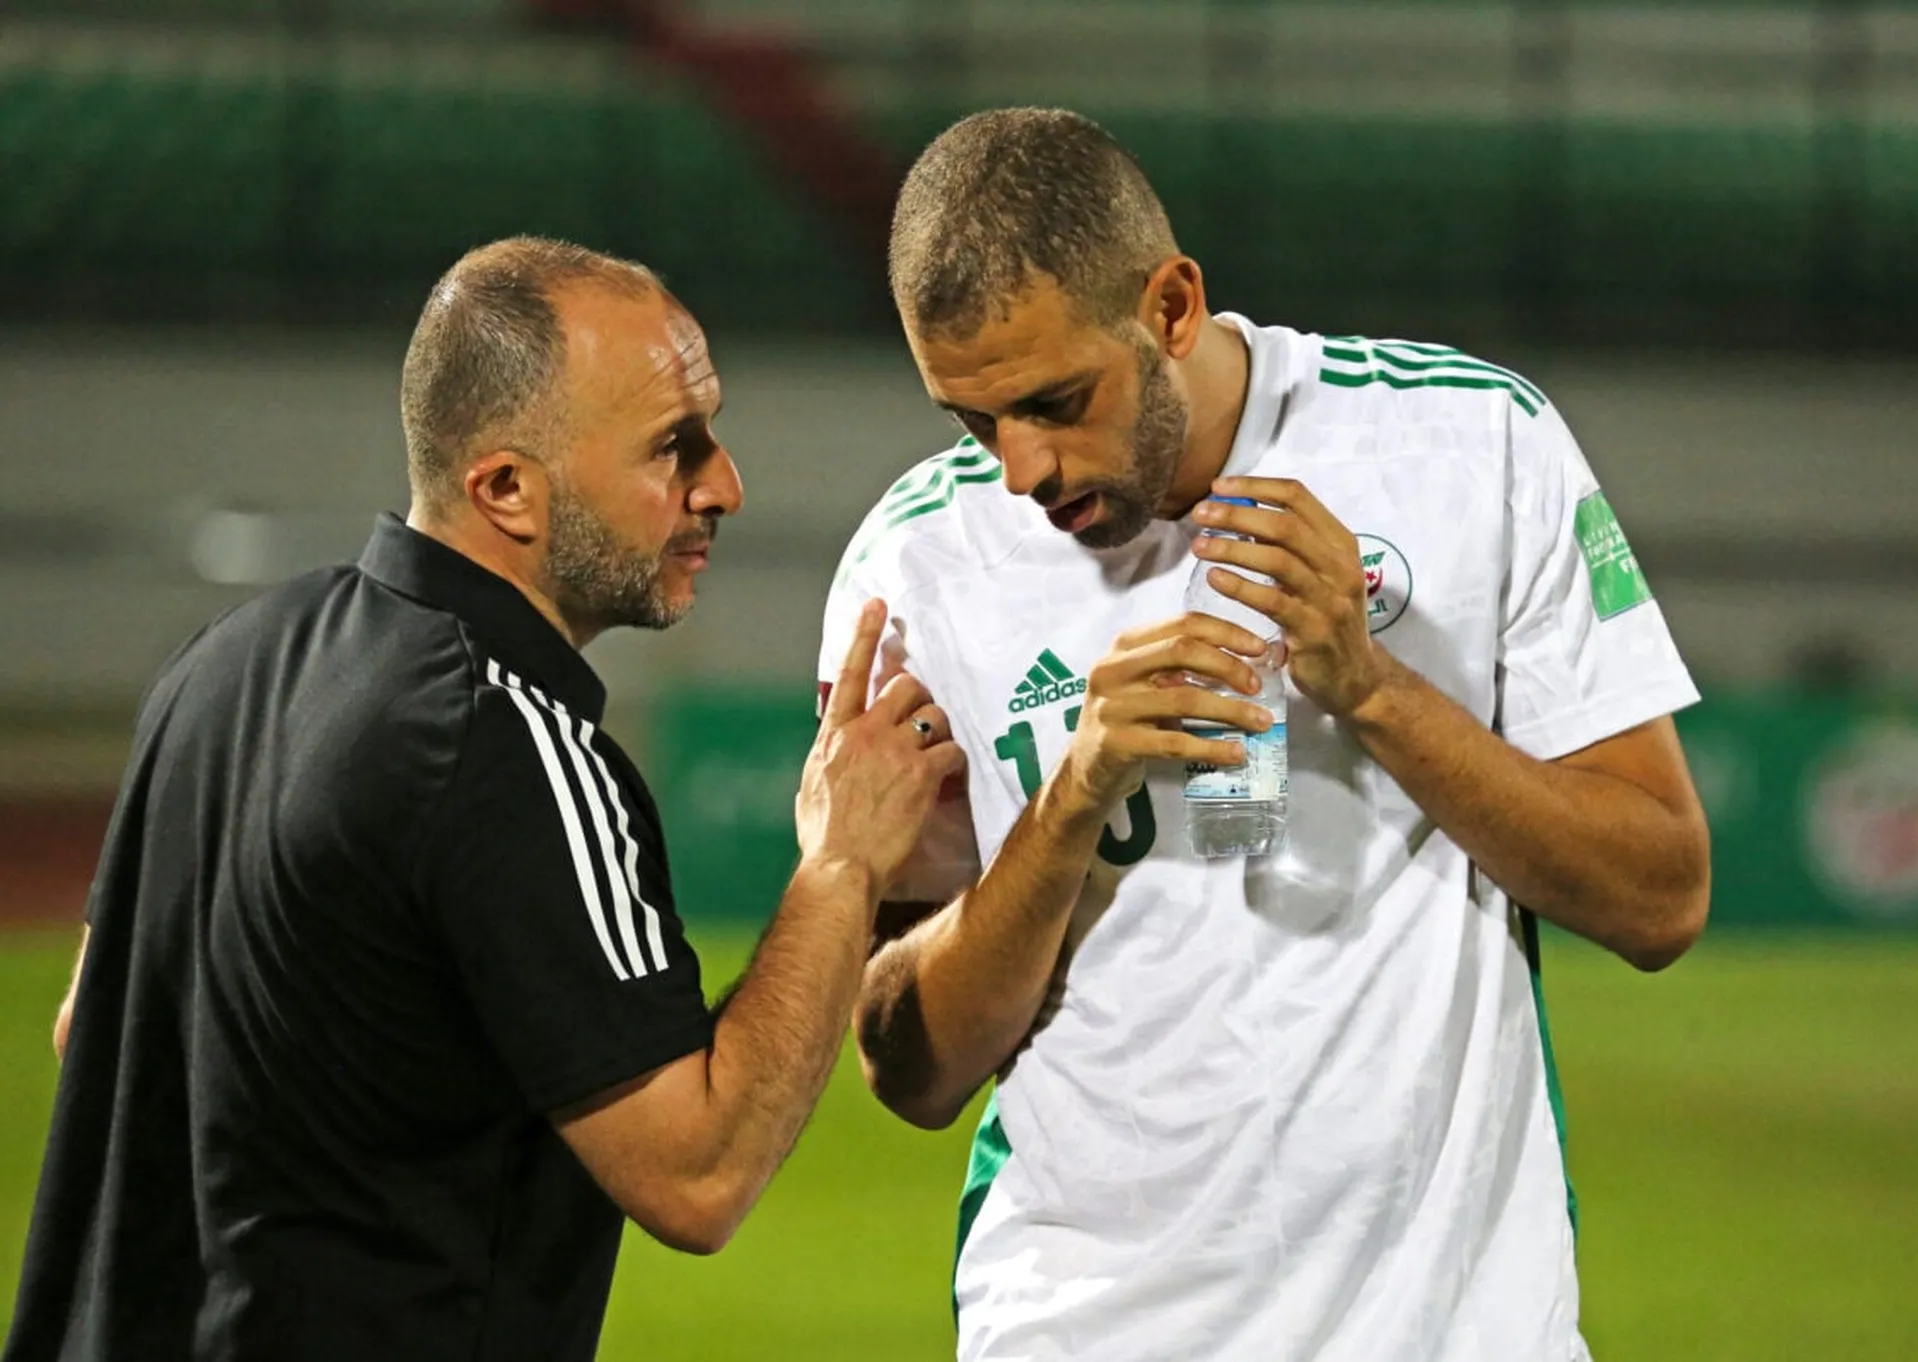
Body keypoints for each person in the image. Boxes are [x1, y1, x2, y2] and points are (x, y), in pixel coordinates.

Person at [821, 110, 1712, 1361]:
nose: (1019, 468)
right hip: (1077, 1331)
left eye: (1054, 401)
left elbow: (1658, 898)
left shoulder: (1468, 446)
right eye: (973, 421)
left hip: (1451, 1329)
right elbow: (908, 1068)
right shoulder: (915, 566)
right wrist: (1071, 797)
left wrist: (1373, 689)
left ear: (1172, 307)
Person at [6, 237, 962, 1362]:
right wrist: (841, 862)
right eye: (673, 446)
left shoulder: (222, 662)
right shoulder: (507, 743)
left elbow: (93, 1023)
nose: (723, 485)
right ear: (505, 489)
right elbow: (697, 1173)